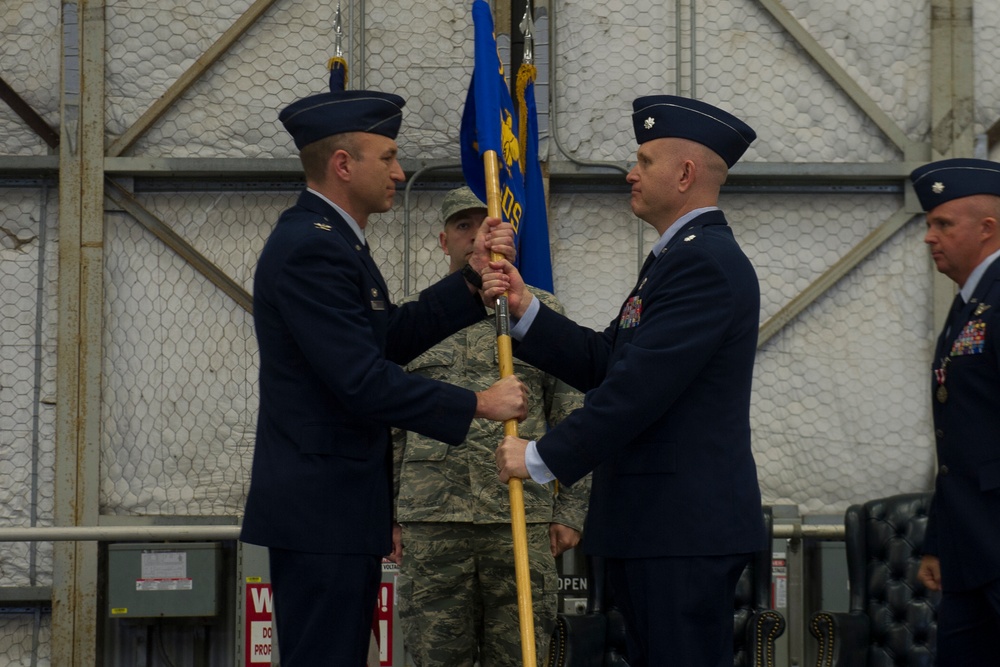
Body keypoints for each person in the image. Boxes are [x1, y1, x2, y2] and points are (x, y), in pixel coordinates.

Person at [240, 86, 529, 667]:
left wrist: (471, 279)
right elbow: (361, 380)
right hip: (323, 511)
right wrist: (476, 402)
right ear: (344, 165)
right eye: (389, 157)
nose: (399, 172)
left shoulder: (337, 241)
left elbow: (387, 337)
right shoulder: (311, 249)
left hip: (337, 508)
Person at [490, 95, 766, 667]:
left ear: (685, 174)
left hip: (679, 529)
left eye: (643, 160)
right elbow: (606, 359)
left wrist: (541, 457)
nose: (629, 173)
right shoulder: (674, 259)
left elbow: (636, 390)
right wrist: (524, 310)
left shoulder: (703, 263)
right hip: (655, 526)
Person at [393, 187, 591, 666]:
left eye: (489, 224)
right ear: (444, 241)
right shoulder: (416, 319)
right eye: (464, 226)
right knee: (436, 656)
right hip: (432, 522)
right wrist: (384, 513)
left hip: (520, 517)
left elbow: (576, 415)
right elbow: (388, 425)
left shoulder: (541, 313)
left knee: (521, 655)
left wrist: (571, 510)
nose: (479, 236)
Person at [910, 158, 1000, 666]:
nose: (929, 237)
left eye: (943, 223)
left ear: (987, 229)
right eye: (928, 224)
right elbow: (959, 441)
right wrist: (939, 541)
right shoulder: (972, 303)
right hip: (971, 547)